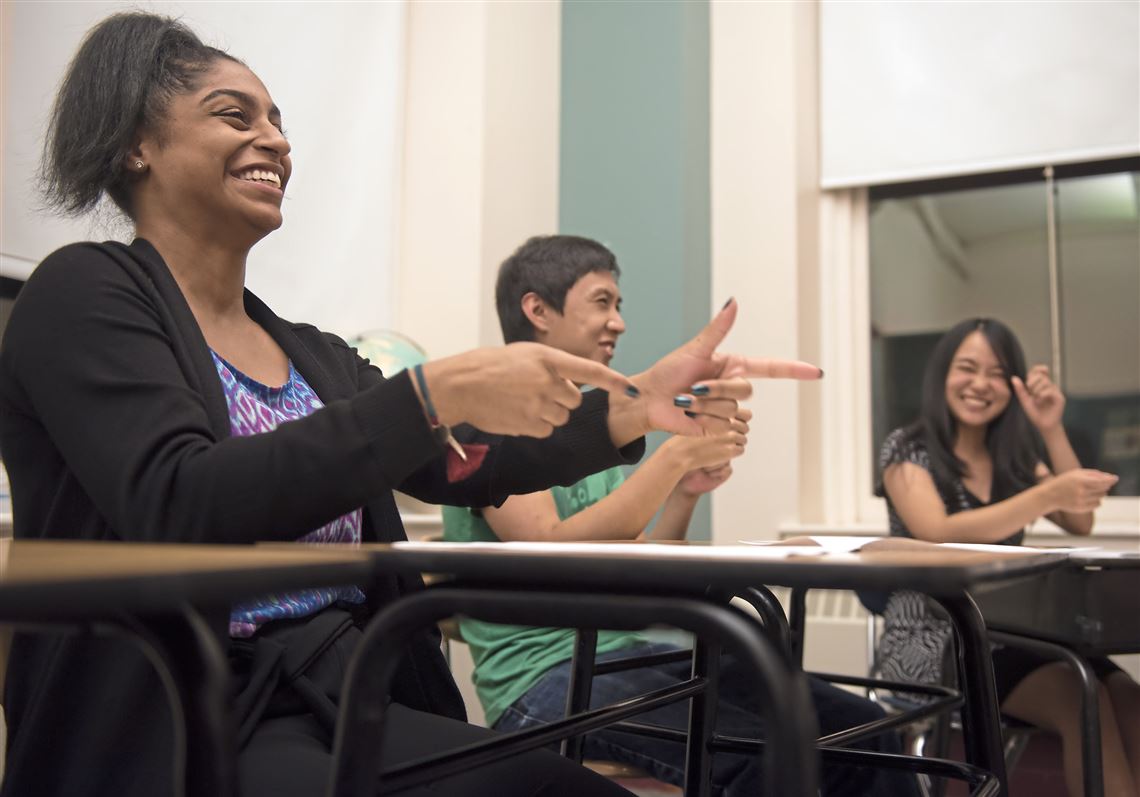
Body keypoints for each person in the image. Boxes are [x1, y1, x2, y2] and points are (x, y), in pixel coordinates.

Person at [0, 14, 822, 797]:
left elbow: (474, 455)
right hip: (182, 710)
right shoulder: (82, 292)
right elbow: (181, 497)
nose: (276, 139)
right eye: (233, 114)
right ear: (137, 144)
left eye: (279, 119)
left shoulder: (311, 352)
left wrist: (639, 405)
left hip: (340, 691)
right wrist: (430, 394)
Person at [442, 235, 919, 797]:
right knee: (761, 759)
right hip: (542, 682)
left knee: (863, 731)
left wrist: (684, 490)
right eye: (602, 302)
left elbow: (637, 557)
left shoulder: (583, 426)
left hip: (624, 655)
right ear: (537, 310)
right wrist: (673, 454)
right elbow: (552, 549)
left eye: (618, 306)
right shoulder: (494, 412)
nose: (617, 322)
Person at [875, 317, 1138, 796]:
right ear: (942, 375)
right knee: (1085, 698)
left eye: (996, 373)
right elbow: (937, 533)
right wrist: (1044, 495)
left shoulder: (1014, 457)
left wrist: (1051, 429)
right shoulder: (908, 449)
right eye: (967, 368)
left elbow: (1080, 520)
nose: (980, 384)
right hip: (933, 639)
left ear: (1013, 386)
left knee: (1128, 696)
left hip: (1011, 634)